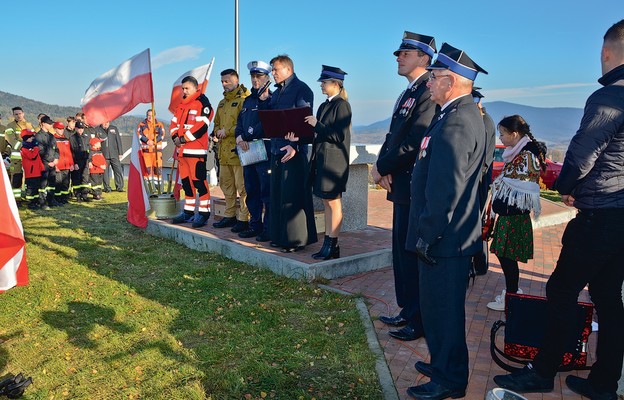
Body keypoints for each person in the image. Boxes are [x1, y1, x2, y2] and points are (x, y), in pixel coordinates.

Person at [494, 19, 624, 400]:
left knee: (561, 289)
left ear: (605, 52)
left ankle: (543, 371)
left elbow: (582, 157)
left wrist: (566, 188)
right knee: (607, 297)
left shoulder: (608, 98)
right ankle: (603, 383)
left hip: (601, 214)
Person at [406, 43, 487, 400]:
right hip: (448, 234)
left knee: (445, 312)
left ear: (450, 82)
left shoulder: (457, 121)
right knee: (437, 309)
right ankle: (441, 362)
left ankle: (450, 379)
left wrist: (428, 233)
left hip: (445, 237)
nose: (429, 83)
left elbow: (446, 188)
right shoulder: (455, 114)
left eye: (435, 77)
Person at [371, 31, 437, 342]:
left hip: (413, 183)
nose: (398, 57)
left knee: (411, 253)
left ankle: (418, 317)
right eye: (399, 53)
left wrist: (384, 167)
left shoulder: (428, 90)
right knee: (400, 250)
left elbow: (415, 141)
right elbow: (393, 134)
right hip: (399, 183)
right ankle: (407, 308)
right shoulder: (410, 91)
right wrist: (380, 166)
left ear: (424, 58)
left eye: (405, 53)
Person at [485, 115, 545, 311]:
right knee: (505, 256)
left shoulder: (526, 157)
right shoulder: (519, 153)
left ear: (514, 134)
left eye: (502, 134)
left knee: (507, 257)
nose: (500, 138)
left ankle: (511, 296)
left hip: (513, 217)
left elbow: (521, 190)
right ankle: (512, 293)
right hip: (510, 216)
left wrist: (499, 207)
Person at [264, 54, 317, 253]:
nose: (273, 73)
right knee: (278, 195)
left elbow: (304, 121)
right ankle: (279, 236)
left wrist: (295, 146)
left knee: (292, 197)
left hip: (293, 152)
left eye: (276, 69)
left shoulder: (301, 89)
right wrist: (263, 101)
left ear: (288, 69)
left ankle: (295, 239)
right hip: (277, 149)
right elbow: (269, 120)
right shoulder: (276, 92)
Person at [302, 65, 351, 260]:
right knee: (326, 202)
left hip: (335, 163)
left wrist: (317, 125)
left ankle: (333, 243)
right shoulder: (324, 105)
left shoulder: (342, 105)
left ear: (335, 83)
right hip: (322, 160)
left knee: (334, 202)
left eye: (324, 82)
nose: (321, 85)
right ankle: (328, 243)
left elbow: (339, 135)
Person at [234, 60, 272, 241]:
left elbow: (267, 124)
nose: (255, 80)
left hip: (263, 151)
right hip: (248, 152)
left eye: (259, 76)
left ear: (267, 78)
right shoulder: (248, 100)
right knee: (252, 190)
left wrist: (246, 136)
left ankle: (267, 228)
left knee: (266, 192)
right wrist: (239, 136)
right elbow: (240, 123)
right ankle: (254, 225)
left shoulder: (271, 100)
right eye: (253, 76)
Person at [169, 75, 214, 228]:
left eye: (187, 88)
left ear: (196, 87)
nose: (184, 91)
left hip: (196, 151)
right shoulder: (181, 104)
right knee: (187, 184)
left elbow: (202, 126)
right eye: (183, 88)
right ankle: (188, 212)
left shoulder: (203, 103)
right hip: (182, 152)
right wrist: (175, 137)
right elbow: (174, 123)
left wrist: (182, 139)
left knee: (199, 183)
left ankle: (204, 214)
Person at [212, 69, 251, 232]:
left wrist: (226, 131)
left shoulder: (244, 100)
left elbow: (245, 124)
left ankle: (243, 218)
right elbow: (216, 124)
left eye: (227, 81)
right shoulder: (222, 103)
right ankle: (229, 216)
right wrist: (215, 132)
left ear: (236, 80)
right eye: (222, 81)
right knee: (226, 186)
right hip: (223, 152)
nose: (224, 84)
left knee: (242, 188)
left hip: (238, 151)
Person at [471, 88, 497, 277]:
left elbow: (485, 158)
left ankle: (480, 264)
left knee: (479, 224)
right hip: (477, 178)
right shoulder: (479, 119)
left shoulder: (485, 121)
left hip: (480, 180)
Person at [4, 106, 34, 199]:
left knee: (30, 177)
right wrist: (24, 146)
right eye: (16, 114)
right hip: (17, 157)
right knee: (17, 177)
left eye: (20, 113)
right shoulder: (10, 126)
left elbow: (33, 138)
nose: (18, 116)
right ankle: (16, 199)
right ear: (13, 115)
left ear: (23, 113)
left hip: (29, 156)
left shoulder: (29, 125)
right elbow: (11, 140)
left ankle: (28, 196)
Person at [35, 115, 61, 207]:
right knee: (43, 183)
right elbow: (40, 150)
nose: (50, 125)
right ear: (42, 124)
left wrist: (56, 158)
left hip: (52, 162)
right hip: (44, 163)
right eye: (49, 123)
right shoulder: (38, 136)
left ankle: (51, 199)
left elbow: (56, 149)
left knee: (52, 182)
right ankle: (41, 201)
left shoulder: (51, 136)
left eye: (51, 123)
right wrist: (49, 161)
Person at [136, 109, 165, 188]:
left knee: (158, 170)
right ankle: (147, 188)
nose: (150, 117)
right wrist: (147, 141)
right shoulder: (141, 125)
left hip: (157, 151)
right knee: (146, 170)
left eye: (151, 115)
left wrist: (154, 141)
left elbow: (162, 135)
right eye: (148, 115)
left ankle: (158, 188)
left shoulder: (159, 124)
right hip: (146, 152)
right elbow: (139, 135)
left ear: (154, 116)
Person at [19, 129, 47, 210]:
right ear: (26, 138)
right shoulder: (24, 148)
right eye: (31, 137)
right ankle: (31, 203)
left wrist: (42, 168)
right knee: (31, 189)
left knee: (36, 188)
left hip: (37, 171)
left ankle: (35, 201)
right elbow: (32, 156)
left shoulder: (31, 146)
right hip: (31, 173)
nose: (33, 139)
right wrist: (36, 147)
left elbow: (38, 159)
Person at [97, 121, 124, 192]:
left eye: (107, 122)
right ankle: (107, 188)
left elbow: (118, 141)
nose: (106, 124)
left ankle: (119, 187)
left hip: (114, 154)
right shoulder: (97, 130)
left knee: (118, 170)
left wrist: (120, 152)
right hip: (104, 154)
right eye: (104, 122)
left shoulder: (114, 129)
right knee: (105, 172)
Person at [69, 121, 92, 202]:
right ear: (76, 128)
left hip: (85, 160)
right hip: (77, 161)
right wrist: (74, 163)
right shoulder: (72, 138)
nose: (81, 130)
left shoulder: (86, 137)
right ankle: (78, 195)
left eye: (82, 128)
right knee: (77, 178)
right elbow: (72, 151)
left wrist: (90, 160)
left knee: (85, 178)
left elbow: (89, 148)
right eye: (79, 128)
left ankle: (84, 194)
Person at [52, 121, 74, 204]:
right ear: (55, 129)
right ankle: (57, 198)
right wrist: (55, 165)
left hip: (66, 165)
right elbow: (53, 153)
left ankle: (64, 198)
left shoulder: (66, 139)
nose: (61, 130)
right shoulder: (53, 139)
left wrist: (71, 164)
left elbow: (69, 152)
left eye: (62, 129)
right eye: (59, 129)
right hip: (58, 165)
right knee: (58, 182)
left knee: (66, 183)